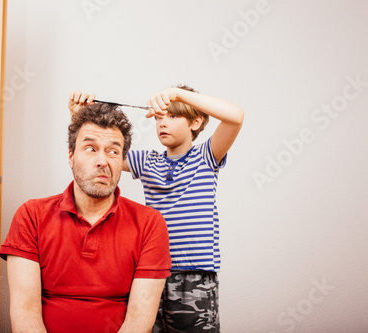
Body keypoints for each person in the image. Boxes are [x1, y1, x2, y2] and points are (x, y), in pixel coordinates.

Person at [69, 86, 244, 332]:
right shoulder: (147, 161)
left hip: (195, 274)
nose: (163, 123)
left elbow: (235, 116)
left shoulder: (206, 156)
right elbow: (103, 155)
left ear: (196, 122)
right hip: (151, 274)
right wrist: (78, 116)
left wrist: (177, 94)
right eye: (160, 117)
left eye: (172, 116)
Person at [0, 102, 172, 333]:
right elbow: (25, 310)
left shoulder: (149, 223)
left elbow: (139, 319)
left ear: (121, 161)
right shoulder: (31, 215)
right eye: (90, 148)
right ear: (71, 157)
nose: (102, 161)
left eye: (113, 151)